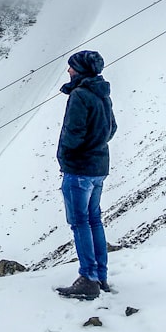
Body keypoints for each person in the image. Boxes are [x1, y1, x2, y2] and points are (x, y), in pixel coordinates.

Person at [55, 50, 117, 299]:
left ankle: (88, 278)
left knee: (80, 223)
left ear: (80, 70)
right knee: (94, 221)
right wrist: (96, 146)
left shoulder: (80, 95)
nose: (68, 71)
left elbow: (73, 133)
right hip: (98, 167)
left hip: (79, 169)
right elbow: (112, 128)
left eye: (71, 67)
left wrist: (68, 155)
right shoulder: (102, 93)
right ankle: (100, 275)